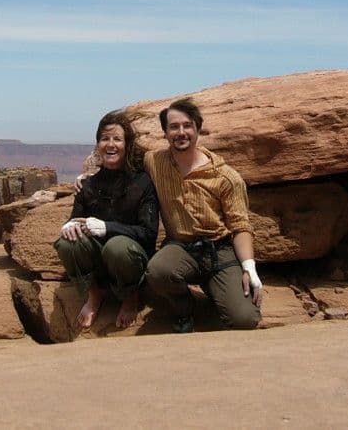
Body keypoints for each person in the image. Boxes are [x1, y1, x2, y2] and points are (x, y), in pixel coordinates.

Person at [144, 97, 262, 332]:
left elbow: (240, 226)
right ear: (165, 133)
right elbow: (122, 166)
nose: (181, 132)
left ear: (198, 129)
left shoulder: (225, 177)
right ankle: (185, 310)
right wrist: (88, 178)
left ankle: (217, 291)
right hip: (180, 248)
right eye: (174, 127)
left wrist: (249, 268)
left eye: (187, 126)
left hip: (219, 251)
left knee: (245, 319)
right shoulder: (154, 161)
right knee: (158, 271)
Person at [54, 110, 159, 329]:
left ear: (126, 145)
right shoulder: (88, 185)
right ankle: (95, 293)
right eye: (105, 138)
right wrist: (69, 227)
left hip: (130, 258)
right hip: (100, 261)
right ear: (98, 145)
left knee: (117, 246)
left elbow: (149, 234)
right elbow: (75, 220)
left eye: (117, 139)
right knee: (67, 243)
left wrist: (106, 227)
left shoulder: (142, 183)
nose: (110, 144)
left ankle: (130, 297)